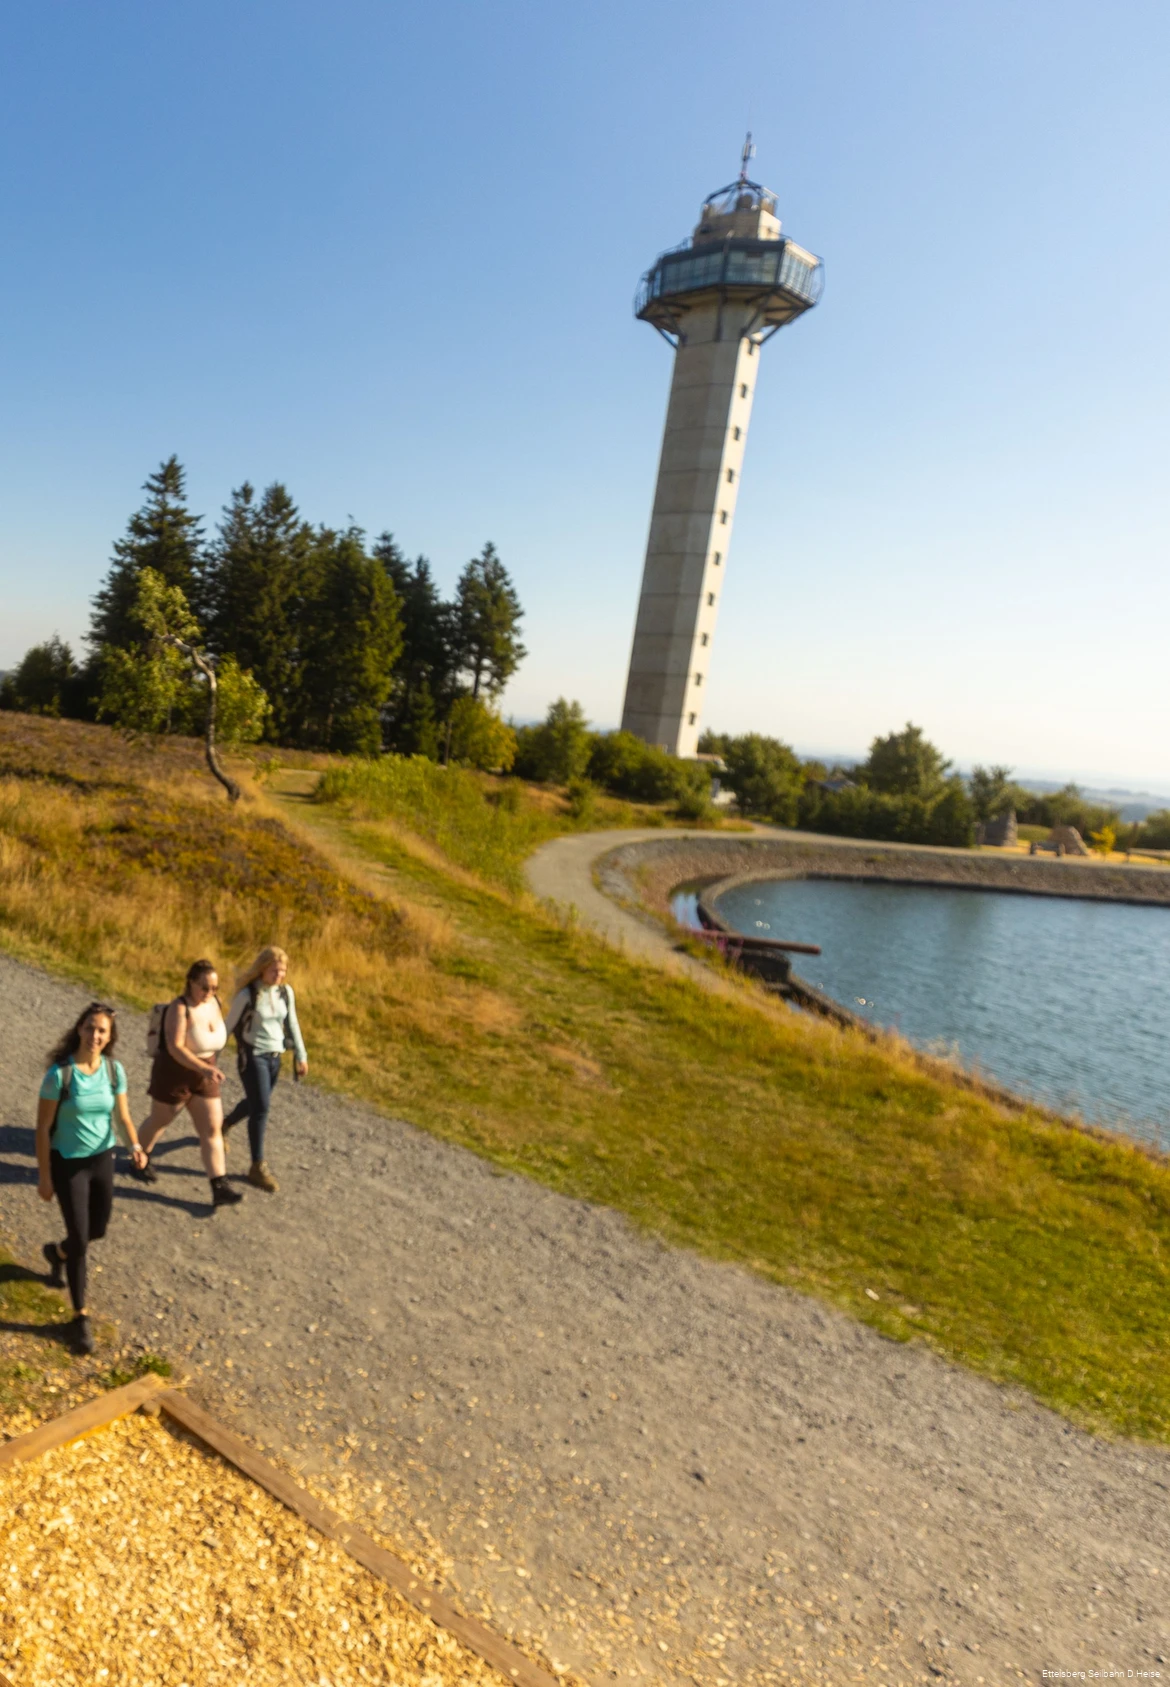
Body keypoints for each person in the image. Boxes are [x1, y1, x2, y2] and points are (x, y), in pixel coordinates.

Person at [36, 1002, 149, 1354]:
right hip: (68, 1163)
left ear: (110, 1036)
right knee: (82, 1239)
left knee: (97, 1229)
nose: (95, 1035)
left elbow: (123, 1116)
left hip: (103, 1159)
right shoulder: (59, 1075)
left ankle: (57, 1253)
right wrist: (44, 1176)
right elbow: (41, 1129)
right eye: (90, 1028)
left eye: (102, 1030)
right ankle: (79, 1318)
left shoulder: (114, 1071)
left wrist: (135, 1145)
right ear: (79, 1028)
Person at [133, 959, 243, 1207]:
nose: (209, 993)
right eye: (204, 987)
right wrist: (204, 1067)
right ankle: (139, 1156)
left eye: (214, 988)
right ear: (191, 983)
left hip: (205, 1074)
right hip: (175, 1072)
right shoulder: (179, 1008)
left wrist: (208, 1068)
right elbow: (175, 1046)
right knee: (161, 1120)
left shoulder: (214, 1003)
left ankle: (219, 1185)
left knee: (212, 1129)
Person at [222, 945, 308, 1193]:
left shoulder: (285, 992)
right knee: (262, 1108)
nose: (279, 975)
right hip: (253, 1056)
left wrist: (301, 1055)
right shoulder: (247, 995)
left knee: (256, 1102)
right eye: (274, 970)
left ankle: (224, 1125)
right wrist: (210, 1059)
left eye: (282, 971)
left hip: (275, 1057)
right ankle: (256, 1166)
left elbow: (292, 1022)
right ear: (262, 969)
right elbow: (228, 1027)